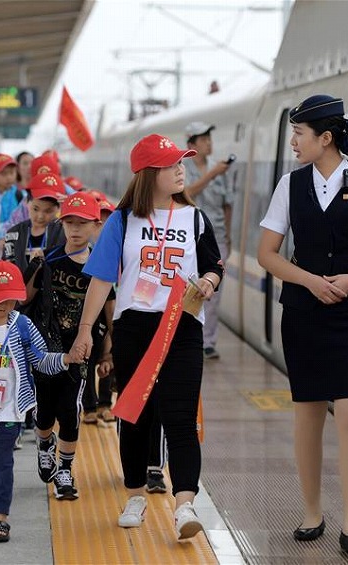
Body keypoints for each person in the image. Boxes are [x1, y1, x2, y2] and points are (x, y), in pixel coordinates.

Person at [257, 95, 348, 553]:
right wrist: (311, 282)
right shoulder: (290, 186)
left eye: (299, 134)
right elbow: (268, 254)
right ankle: (312, 512)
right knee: (308, 412)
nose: (294, 142)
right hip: (304, 311)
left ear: (325, 138)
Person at [70, 134, 224, 539]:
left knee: (180, 417)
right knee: (135, 415)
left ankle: (184, 505)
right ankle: (135, 494)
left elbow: (214, 266)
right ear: (148, 173)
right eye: (171, 164)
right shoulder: (122, 221)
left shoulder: (195, 219)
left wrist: (208, 280)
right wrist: (86, 332)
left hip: (183, 327)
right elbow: (102, 280)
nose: (181, 170)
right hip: (135, 328)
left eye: (181, 163)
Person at [0, 260, 83, 541]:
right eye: (0, 300)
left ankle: (1, 516)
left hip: (10, 409)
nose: (6, 306)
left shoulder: (23, 325)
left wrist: (66, 359)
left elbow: (41, 359)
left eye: (11, 300)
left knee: (2, 461)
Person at [24, 193, 114, 501]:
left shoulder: (101, 267)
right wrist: (33, 267)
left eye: (82, 224)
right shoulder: (49, 258)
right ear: (61, 224)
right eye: (69, 223)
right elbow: (24, 298)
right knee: (45, 410)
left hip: (81, 349)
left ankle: (65, 469)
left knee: (70, 409)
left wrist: (108, 348)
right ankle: (44, 444)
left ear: (95, 226)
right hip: (44, 349)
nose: (75, 230)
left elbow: (109, 308)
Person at [183, 122, 232, 359]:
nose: (209, 143)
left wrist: (228, 236)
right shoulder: (182, 168)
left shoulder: (220, 169)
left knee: (213, 290)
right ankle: (188, 336)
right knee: (188, 288)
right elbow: (187, 194)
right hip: (190, 237)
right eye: (203, 140)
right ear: (191, 145)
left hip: (218, 238)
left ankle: (208, 341)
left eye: (209, 139)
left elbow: (227, 204)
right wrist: (211, 175)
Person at [0, 173, 66, 275]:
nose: (40, 216)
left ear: (58, 208)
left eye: (48, 211)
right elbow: (7, 269)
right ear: (26, 202)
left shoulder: (65, 233)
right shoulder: (13, 233)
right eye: (35, 209)